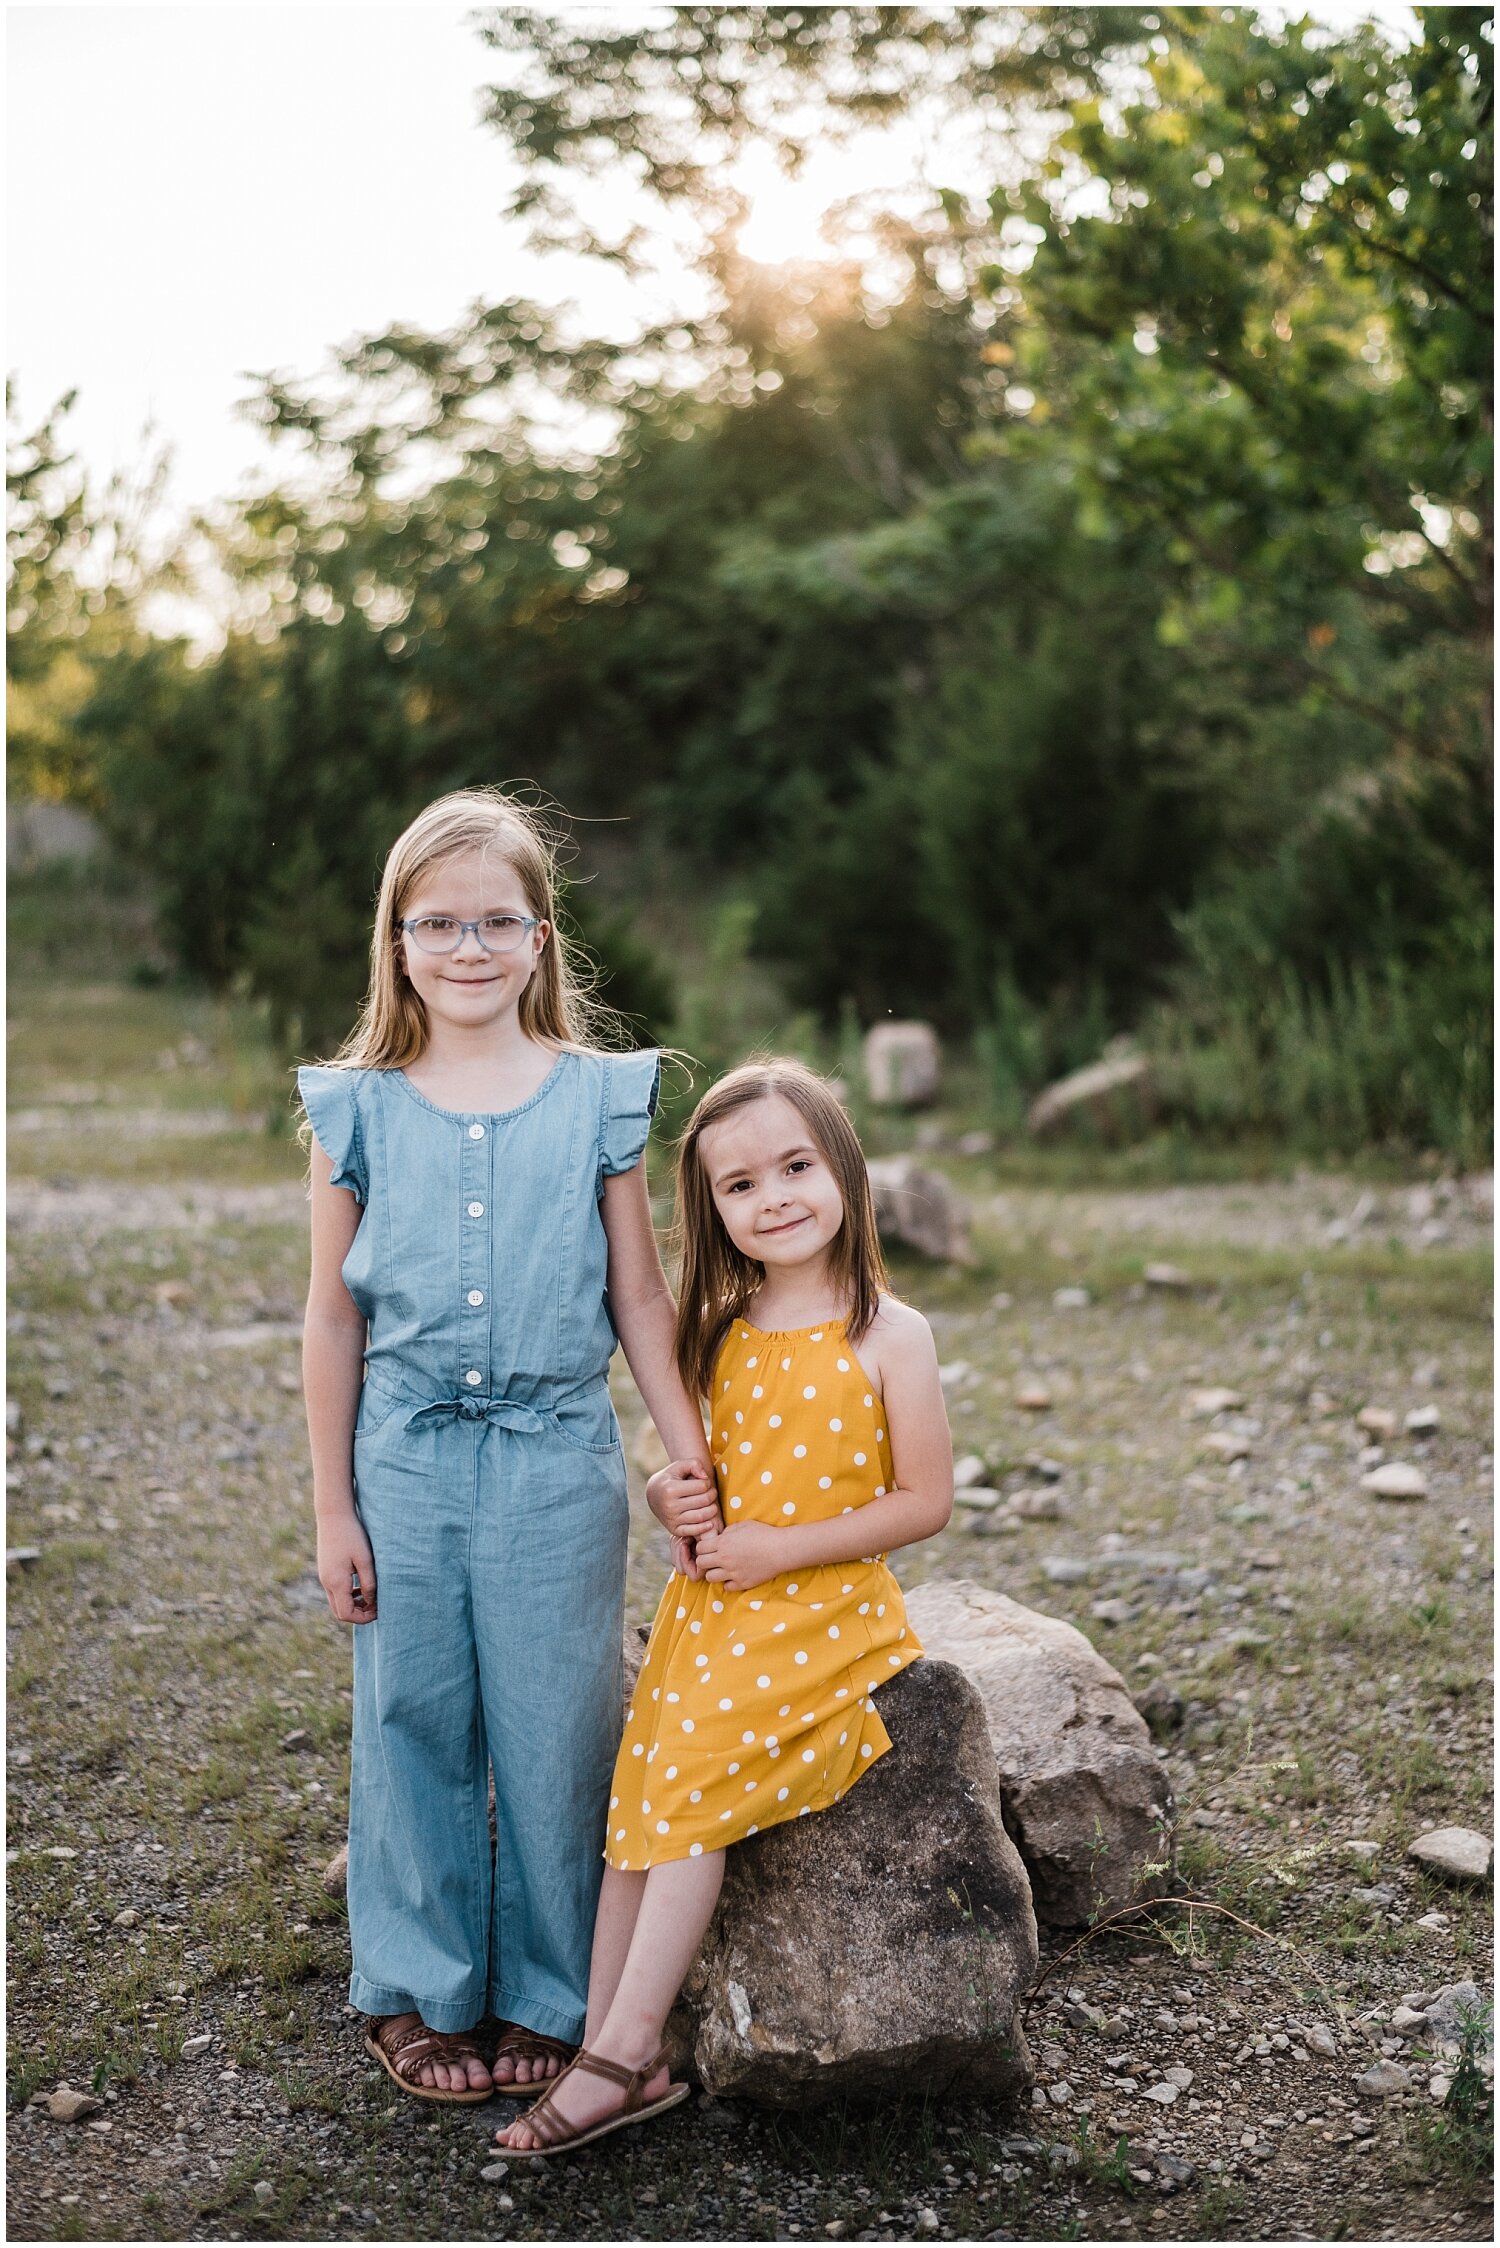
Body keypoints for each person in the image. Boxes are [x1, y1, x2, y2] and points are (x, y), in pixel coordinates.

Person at [298, 788, 718, 2104]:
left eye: (497, 921)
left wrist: (686, 1445)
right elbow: (330, 1318)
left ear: (542, 939)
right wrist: (334, 1511)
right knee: (413, 1713)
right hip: (407, 1458)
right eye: (440, 924)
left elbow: (641, 1298)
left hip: (555, 1455)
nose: (468, 947)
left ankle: (549, 1986)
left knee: (559, 1721)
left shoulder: (596, 1099)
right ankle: (420, 1990)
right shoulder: (355, 1109)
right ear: (398, 941)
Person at [495, 1056, 953, 2154]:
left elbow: (924, 1502)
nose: (775, 1196)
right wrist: (669, 1492)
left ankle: (627, 2053)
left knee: (690, 1792)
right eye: (740, 1185)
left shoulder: (889, 1334)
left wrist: (781, 1547)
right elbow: (690, 1469)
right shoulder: (714, 1322)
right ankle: (604, 2037)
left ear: (842, 1166)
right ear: (713, 1209)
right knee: (636, 1803)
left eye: (796, 1165)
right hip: (715, 1610)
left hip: (823, 1609)